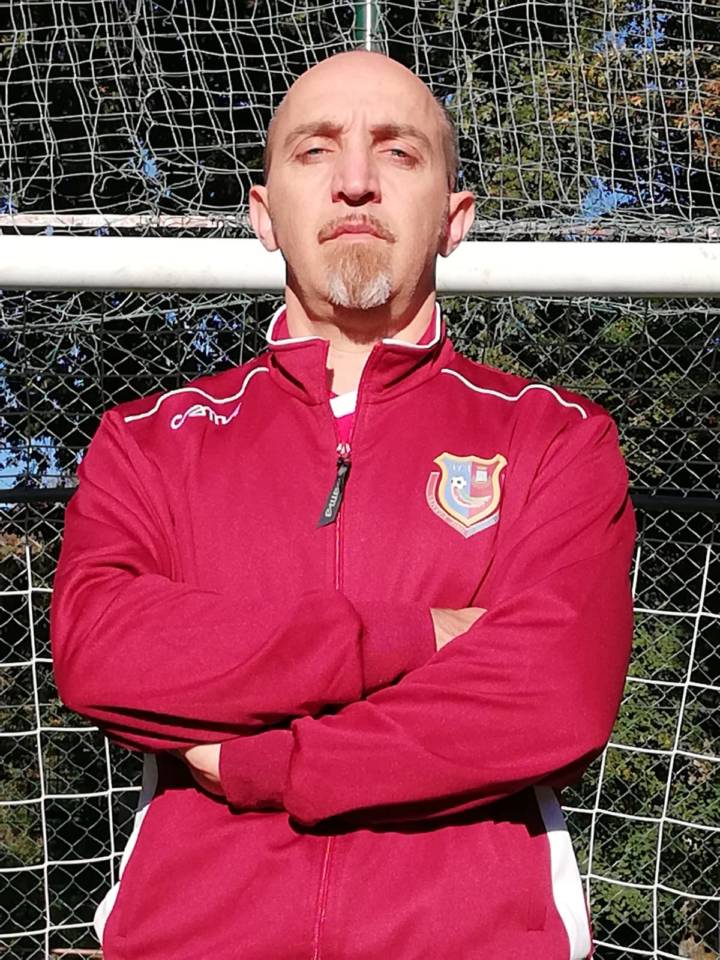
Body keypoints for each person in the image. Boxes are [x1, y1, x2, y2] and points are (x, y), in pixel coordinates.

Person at [51, 49, 635, 960]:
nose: (356, 181)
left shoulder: (555, 438)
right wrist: (418, 637)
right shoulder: (149, 439)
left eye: (398, 151)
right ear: (263, 213)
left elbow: (552, 692)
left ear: (454, 218)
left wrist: (266, 762)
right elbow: (104, 649)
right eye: (315, 150)